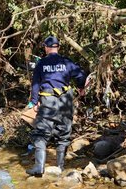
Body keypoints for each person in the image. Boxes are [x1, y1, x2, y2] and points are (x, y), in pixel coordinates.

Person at [26, 35, 88, 177]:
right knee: (64, 132)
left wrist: (34, 102)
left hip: (48, 100)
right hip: (65, 100)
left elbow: (35, 85)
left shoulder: (41, 63)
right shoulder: (66, 62)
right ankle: (60, 167)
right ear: (58, 47)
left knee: (41, 133)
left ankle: (39, 167)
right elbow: (80, 74)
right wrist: (81, 88)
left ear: (46, 48)